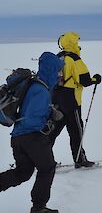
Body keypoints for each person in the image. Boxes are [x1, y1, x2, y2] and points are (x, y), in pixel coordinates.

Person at [0, 52, 64, 213]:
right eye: (58, 70)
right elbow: (31, 119)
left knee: (23, 172)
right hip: (32, 137)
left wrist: (49, 111)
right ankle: (39, 208)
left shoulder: (34, 85)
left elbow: (28, 111)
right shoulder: (41, 90)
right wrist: (48, 122)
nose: (60, 74)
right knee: (47, 168)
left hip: (18, 138)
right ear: (51, 70)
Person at [49, 32, 102, 168]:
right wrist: (96, 79)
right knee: (76, 129)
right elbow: (84, 80)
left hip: (56, 97)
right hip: (71, 99)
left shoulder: (57, 57)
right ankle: (80, 160)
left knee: (53, 129)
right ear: (73, 43)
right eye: (77, 42)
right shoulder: (75, 59)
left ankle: (43, 159)